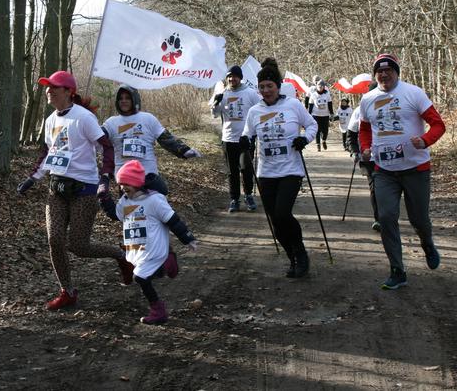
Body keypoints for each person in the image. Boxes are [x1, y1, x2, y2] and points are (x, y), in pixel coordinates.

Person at [17, 70, 134, 310]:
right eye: (47, 87)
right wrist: (33, 178)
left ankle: (121, 257)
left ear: (68, 92)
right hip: (57, 189)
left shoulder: (84, 118)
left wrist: (105, 178)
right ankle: (67, 291)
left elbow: (106, 147)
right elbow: (48, 153)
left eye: (53, 87)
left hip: (84, 190)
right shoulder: (50, 120)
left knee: (78, 246)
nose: (48, 91)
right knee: (54, 239)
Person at [359, 53, 445, 290]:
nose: (384, 75)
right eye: (379, 72)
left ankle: (427, 244)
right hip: (384, 169)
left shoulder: (413, 93)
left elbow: (438, 124)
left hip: (416, 168)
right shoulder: (367, 99)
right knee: (386, 218)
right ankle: (397, 270)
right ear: (375, 75)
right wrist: (365, 148)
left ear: (397, 72)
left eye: (388, 71)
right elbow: (365, 130)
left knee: (419, 219)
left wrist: (425, 140)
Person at [241, 58, 318, 278]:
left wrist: (305, 139)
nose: (266, 90)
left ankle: (301, 253)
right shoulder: (254, 111)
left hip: (290, 170)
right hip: (266, 172)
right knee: (275, 221)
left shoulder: (293, 105)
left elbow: (311, 124)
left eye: (269, 86)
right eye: (262, 87)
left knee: (283, 214)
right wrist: (245, 140)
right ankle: (291, 257)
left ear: (278, 86)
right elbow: (247, 133)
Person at [99, 160, 199, 324]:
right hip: (138, 248)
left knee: (140, 277)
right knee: (144, 272)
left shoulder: (155, 200)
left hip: (154, 249)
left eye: (126, 183)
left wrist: (188, 239)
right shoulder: (125, 200)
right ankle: (168, 262)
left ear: (137, 183)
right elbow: (115, 214)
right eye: (121, 183)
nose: (123, 187)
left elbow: (173, 221)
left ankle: (158, 311)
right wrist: (103, 197)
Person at [101, 84, 201, 195]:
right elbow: (96, 134)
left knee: (154, 208)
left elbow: (165, 138)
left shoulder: (148, 118)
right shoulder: (111, 122)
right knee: (130, 210)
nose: (123, 101)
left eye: (127, 98)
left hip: (148, 175)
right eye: (120, 98)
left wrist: (184, 150)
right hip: (125, 178)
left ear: (135, 99)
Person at [210, 65, 260, 212]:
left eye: (235, 76)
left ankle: (249, 195)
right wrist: (216, 103)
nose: (232, 79)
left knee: (246, 168)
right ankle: (234, 199)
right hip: (228, 138)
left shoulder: (250, 93)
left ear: (240, 77)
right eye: (230, 77)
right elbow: (214, 114)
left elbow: (259, 111)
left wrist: (255, 132)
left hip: (246, 138)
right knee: (232, 171)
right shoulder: (222, 93)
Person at [347, 101, 380, 231]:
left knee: (387, 188)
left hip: (389, 157)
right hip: (368, 157)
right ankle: (379, 219)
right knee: (374, 187)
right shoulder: (359, 110)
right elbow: (351, 134)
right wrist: (354, 151)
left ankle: (388, 216)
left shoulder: (390, 106)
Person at [306, 79, 334, 151]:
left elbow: (330, 104)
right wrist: (309, 115)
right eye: (319, 86)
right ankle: (318, 145)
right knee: (317, 130)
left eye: (321, 86)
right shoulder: (313, 95)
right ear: (316, 86)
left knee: (325, 130)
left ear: (324, 87)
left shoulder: (327, 94)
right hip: (316, 115)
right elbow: (311, 105)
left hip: (325, 115)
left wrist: (331, 113)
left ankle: (324, 140)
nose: (320, 87)